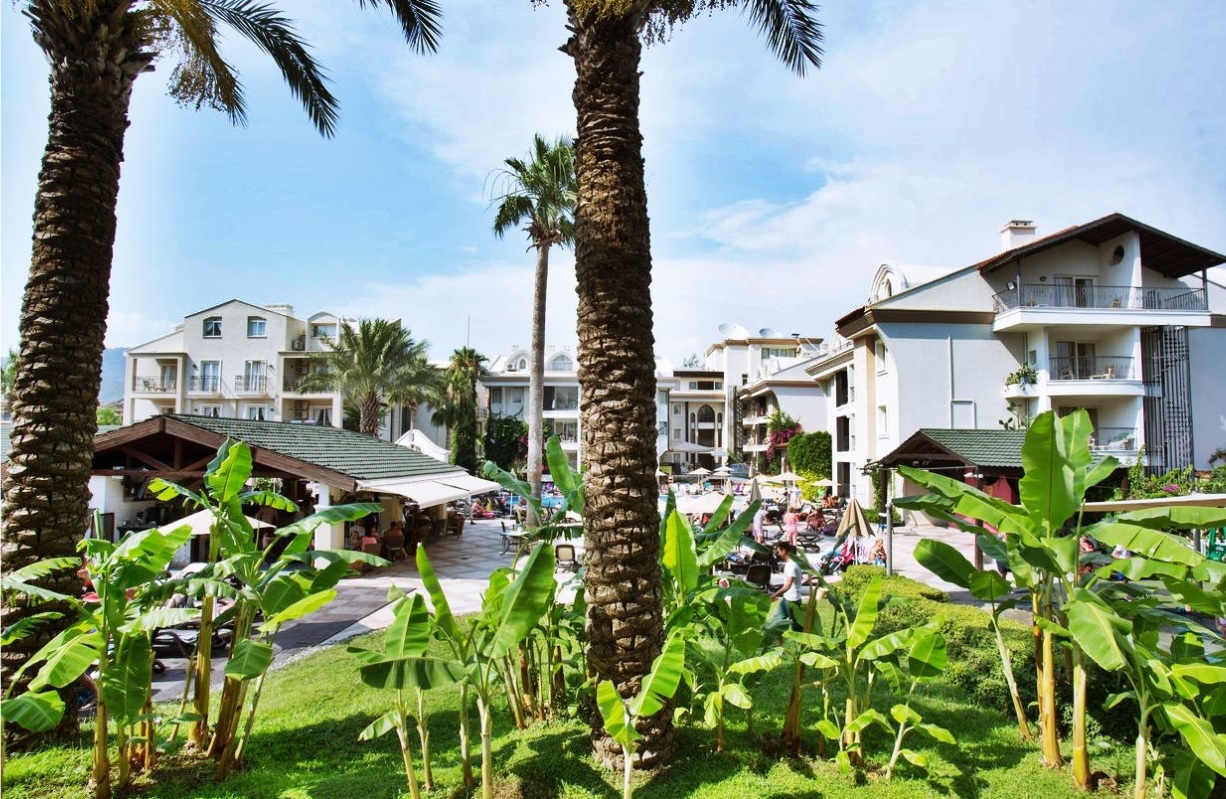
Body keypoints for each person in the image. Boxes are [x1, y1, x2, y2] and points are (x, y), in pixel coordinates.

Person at [768, 541, 804, 633]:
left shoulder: (792, 565)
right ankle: (779, 642)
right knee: (775, 624)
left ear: (784, 551)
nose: (777, 554)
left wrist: (774, 595)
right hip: (786, 599)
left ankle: (805, 642)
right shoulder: (790, 564)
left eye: (778, 552)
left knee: (797, 629)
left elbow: (788, 585)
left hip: (793, 600)